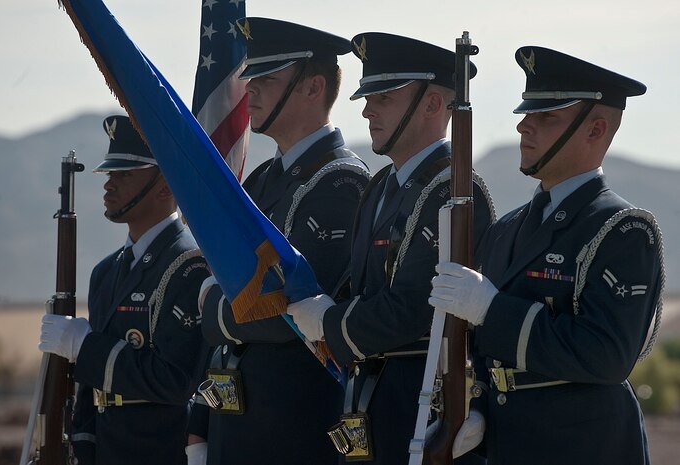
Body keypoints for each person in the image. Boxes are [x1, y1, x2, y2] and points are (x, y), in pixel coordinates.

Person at [429, 46, 664, 465]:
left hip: (585, 447)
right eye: (527, 114)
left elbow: (606, 356)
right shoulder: (507, 228)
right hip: (510, 444)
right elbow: (488, 354)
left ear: (595, 130)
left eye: (547, 117)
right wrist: (479, 408)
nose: (524, 126)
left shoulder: (623, 229)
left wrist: (493, 309)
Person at [287, 33, 495, 464]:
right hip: (371, 401)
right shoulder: (382, 186)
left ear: (434, 105)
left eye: (383, 96)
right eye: (368, 97)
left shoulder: (455, 193)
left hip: (419, 401)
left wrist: (329, 321)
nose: (366, 109)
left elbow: (412, 308)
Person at [185, 18, 370, 465]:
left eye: (267, 78)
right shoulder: (265, 180)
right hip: (239, 429)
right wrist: (200, 426)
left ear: (313, 88)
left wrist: (215, 309)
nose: (250, 89)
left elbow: (290, 309)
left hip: (296, 428)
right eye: (252, 76)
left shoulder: (342, 183)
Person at [39, 115, 211, 465]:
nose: (109, 185)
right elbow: (89, 392)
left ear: (164, 184)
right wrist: (84, 448)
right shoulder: (107, 271)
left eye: (124, 174)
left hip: (160, 450)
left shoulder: (190, 264)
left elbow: (176, 379)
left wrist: (85, 347)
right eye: (109, 174)